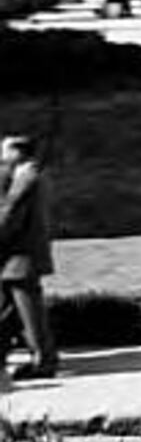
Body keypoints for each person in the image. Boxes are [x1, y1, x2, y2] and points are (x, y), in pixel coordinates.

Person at [0, 135, 54, 384]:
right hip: (23, 255)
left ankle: (43, 362)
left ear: (16, 152)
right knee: (10, 312)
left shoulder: (25, 177)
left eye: (4, 151)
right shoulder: (35, 175)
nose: (1, 156)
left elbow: (10, 215)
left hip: (21, 256)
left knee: (30, 314)